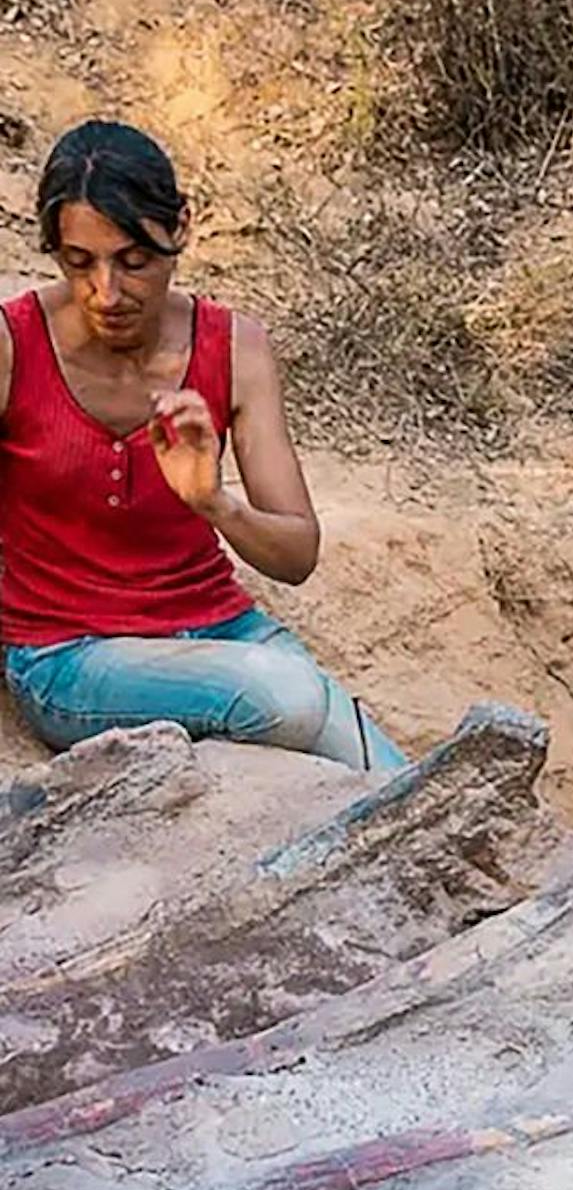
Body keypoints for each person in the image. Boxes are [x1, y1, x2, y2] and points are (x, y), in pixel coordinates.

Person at [0, 120, 403, 770]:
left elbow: (297, 554)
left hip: (222, 629)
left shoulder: (236, 348)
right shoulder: (13, 345)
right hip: (69, 654)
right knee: (293, 697)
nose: (106, 292)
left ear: (182, 227)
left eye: (135, 261)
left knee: (397, 781)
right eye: (80, 263)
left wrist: (214, 502)